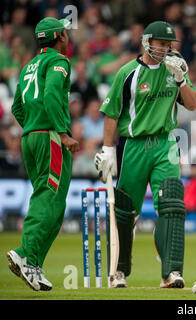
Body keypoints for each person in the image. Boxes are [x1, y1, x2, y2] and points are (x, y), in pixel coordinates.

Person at [94, 21, 196, 289]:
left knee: (172, 205)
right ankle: (118, 271)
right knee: (125, 211)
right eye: (160, 43)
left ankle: (171, 272)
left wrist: (182, 79)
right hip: (134, 145)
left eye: (168, 44)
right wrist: (107, 150)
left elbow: (192, 104)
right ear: (146, 42)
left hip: (166, 143)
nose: (165, 49)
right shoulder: (128, 73)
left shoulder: (174, 69)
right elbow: (112, 113)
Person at [6, 17, 79, 291]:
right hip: (50, 137)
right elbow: (49, 96)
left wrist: (33, 128)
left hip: (31, 137)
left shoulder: (28, 66)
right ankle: (26, 252)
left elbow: (16, 107)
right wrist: (61, 132)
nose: (68, 35)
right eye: (65, 32)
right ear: (59, 35)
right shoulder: (59, 61)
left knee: (55, 204)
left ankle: (34, 264)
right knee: (48, 197)